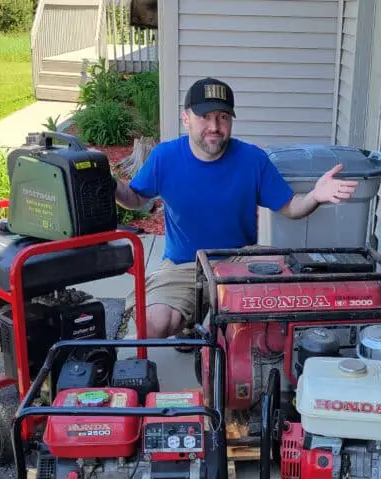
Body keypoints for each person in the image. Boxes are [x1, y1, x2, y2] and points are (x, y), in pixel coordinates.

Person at [116, 77, 357, 346]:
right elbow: (135, 198)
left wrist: (315, 195)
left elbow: (289, 206)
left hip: (239, 259)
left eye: (223, 117)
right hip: (183, 264)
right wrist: (109, 184)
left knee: (268, 321)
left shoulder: (252, 159)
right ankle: (190, 321)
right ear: (186, 119)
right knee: (152, 325)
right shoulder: (165, 156)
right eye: (205, 116)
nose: (215, 127)